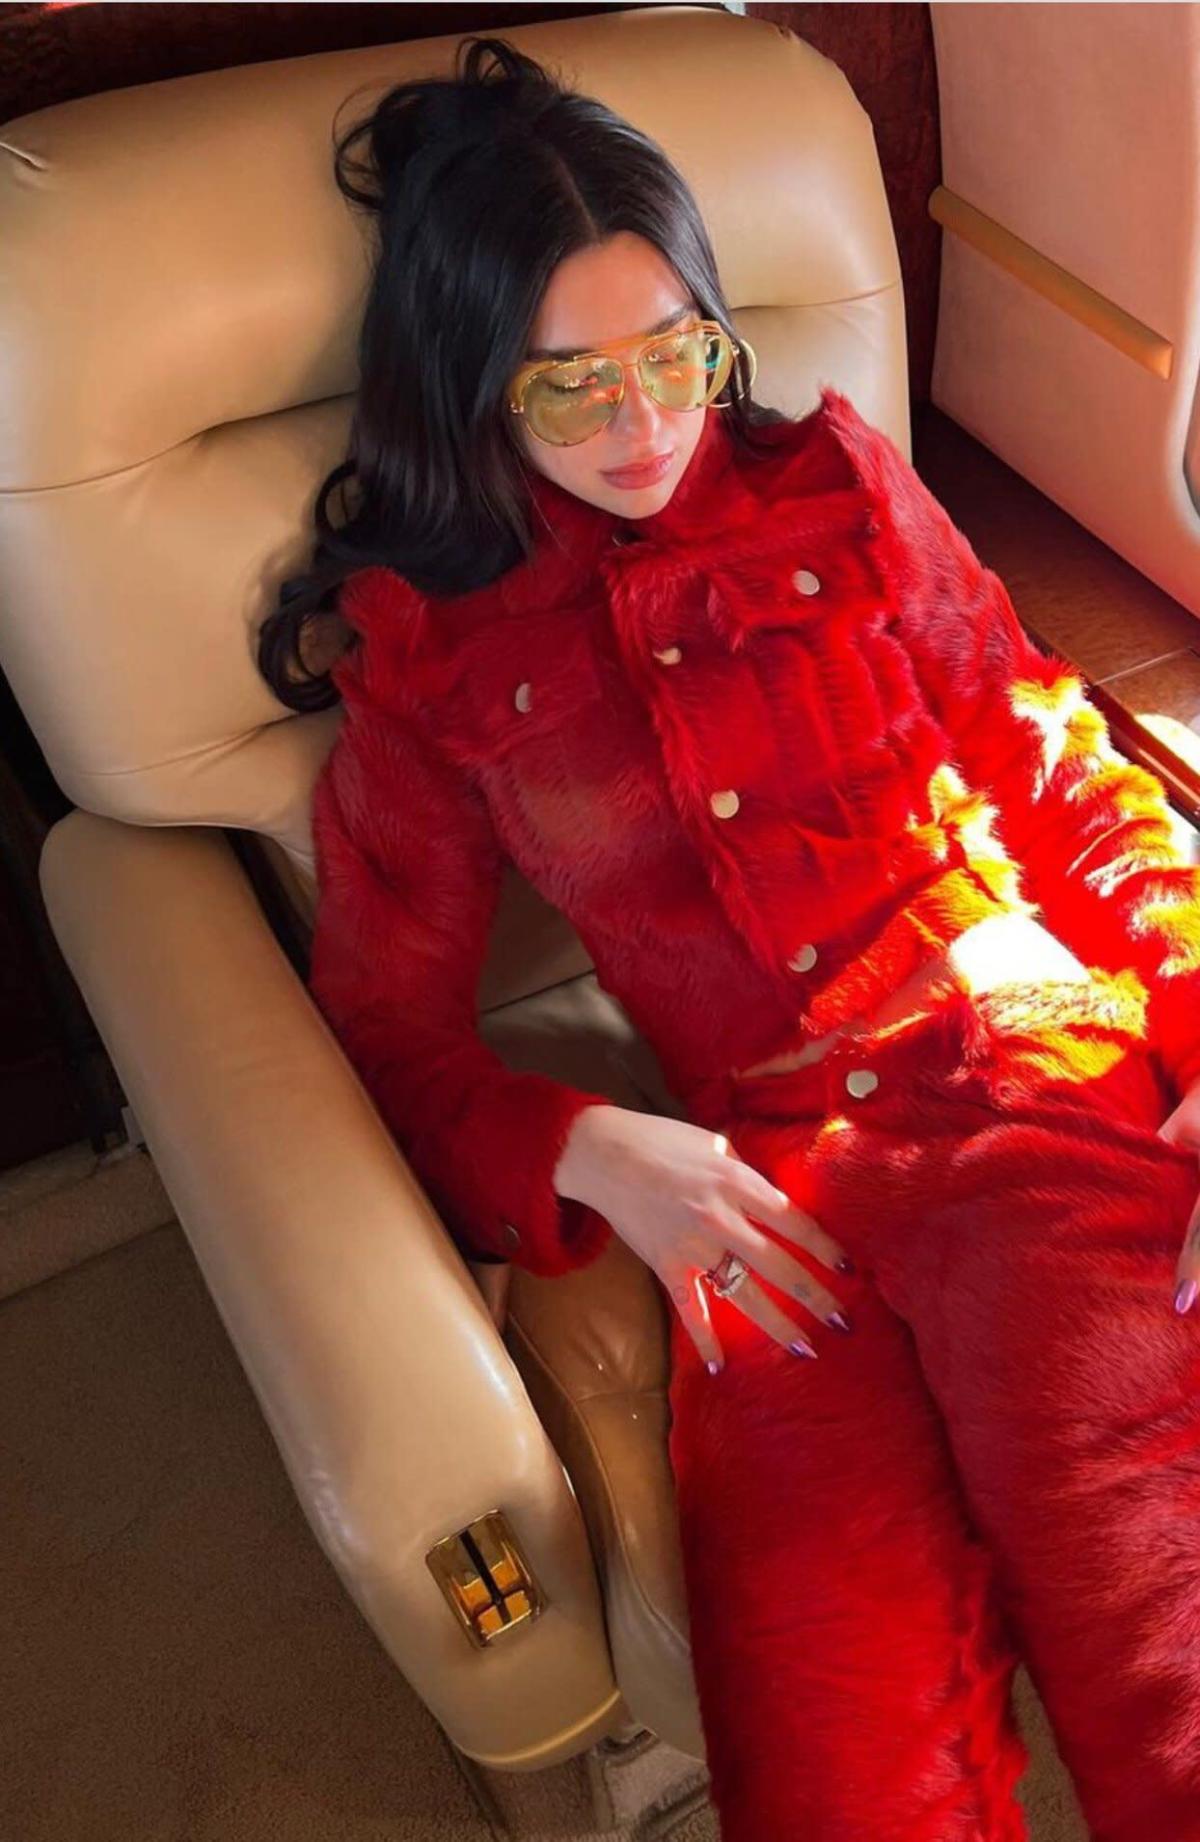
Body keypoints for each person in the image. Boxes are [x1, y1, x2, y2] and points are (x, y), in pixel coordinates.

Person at [256, 35, 1200, 1842]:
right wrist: (592, 1151)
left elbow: (1051, 753)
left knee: (1171, 1671)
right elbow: (385, 1026)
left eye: (677, 352)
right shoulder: (429, 656)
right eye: (570, 387)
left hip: (1015, 1067)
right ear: (469, 388)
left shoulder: (840, 485)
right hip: (758, 1195)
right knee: (830, 1767)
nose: (645, 424)